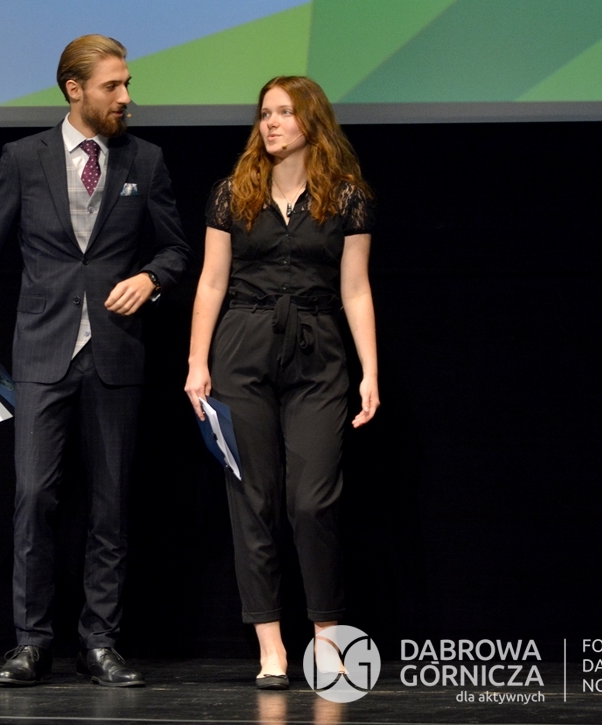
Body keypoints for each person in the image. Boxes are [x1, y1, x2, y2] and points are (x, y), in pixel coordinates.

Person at [0, 34, 189, 687]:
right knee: (35, 497)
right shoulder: (22, 159)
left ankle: (100, 641)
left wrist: (151, 278)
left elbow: (175, 249)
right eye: (113, 85)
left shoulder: (146, 159)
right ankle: (31, 642)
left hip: (115, 354)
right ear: (74, 88)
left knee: (110, 505)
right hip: (42, 351)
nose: (126, 96)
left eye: (127, 83)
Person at [184, 76, 379, 690]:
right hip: (242, 344)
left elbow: (355, 288)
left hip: (318, 349)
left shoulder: (347, 197)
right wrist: (196, 362)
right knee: (254, 499)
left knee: (313, 500)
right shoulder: (232, 192)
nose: (270, 123)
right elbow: (211, 281)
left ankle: (327, 637)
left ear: (311, 121)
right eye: (265, 113)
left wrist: (370, 371)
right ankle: (271, 647)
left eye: (285, 112)